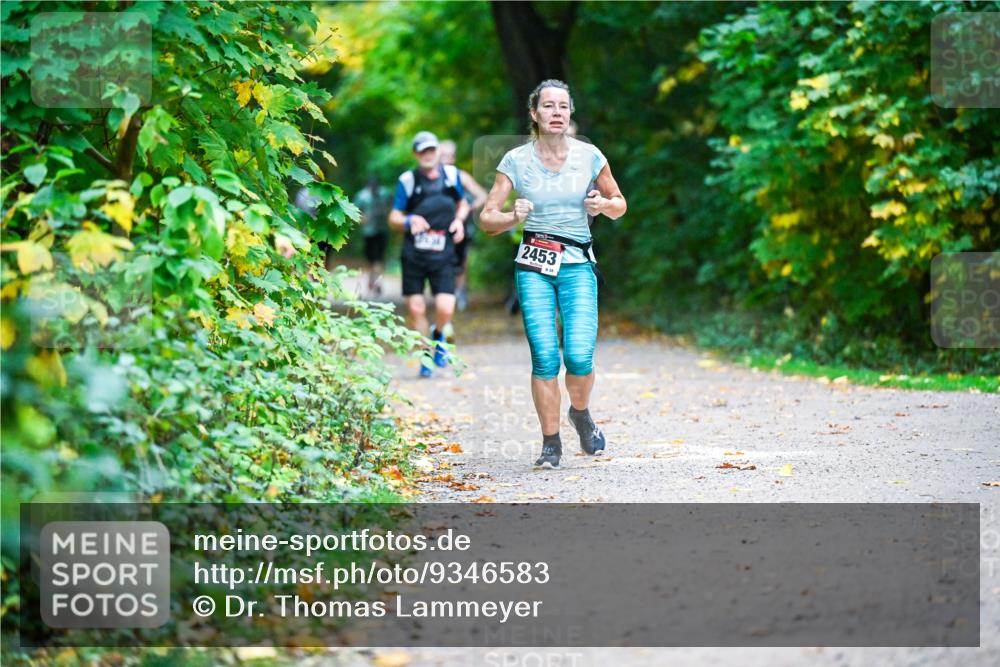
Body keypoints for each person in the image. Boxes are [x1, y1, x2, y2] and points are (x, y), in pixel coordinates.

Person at [479, 80, 627, 469]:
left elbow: (620, 203)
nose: (557, 112)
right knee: (545, 357)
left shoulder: (590, 156)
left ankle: (580, 413)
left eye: (563, 106)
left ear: (570, 113)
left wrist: (601, 203)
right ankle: (550, 443)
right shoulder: (515, 160)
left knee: (579, 356)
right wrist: (513, 215)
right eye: (549, 106)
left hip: (578, 265)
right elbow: (486, 219)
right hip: (534, 267)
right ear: (535, 114)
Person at [388, 131, 470, 378]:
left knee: (446, 307)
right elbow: (393, 217)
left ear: (437, 152)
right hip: (414, 252)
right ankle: (426, 354)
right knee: (416, 307)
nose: (428, 155)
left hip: (443, 250)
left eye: (431, 150)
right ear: (416, 154)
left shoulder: (451, 176)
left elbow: (463, 203)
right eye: (422, 151)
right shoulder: (408, 181)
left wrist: (459, 220)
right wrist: (410, 219)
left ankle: (437, 335)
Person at [438, 140, 488, 313]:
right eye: (442, 155)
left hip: (461, 226)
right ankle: (445, 293)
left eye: (449, 155)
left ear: (454, 157)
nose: (445, 159)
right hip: (438, 228)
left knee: (461, 261)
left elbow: (482, 195)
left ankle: (460, 293)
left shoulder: (461, 175)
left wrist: (467, 208)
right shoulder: (431, 176)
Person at [354, 176, 390, 297]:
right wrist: (364, 219)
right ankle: (372, 281)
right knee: (371, 259)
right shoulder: (362, 196)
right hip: (368, 232)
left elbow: (392, 207)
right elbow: (355, 213)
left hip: (381, 230)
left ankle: (377, 283)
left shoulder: (384, 194)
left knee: (379, 258)